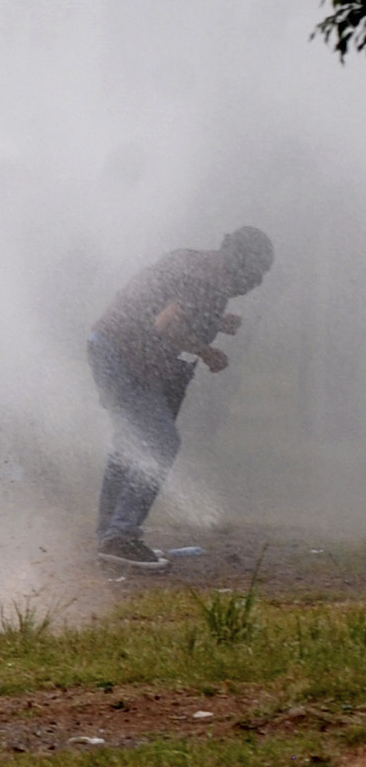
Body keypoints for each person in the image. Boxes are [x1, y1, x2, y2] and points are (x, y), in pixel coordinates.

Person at [87, 226, 272, 569]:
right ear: (242, 261)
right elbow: (165, 324)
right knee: (160, 442)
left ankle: (110, 535)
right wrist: (207, 351)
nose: (256, 282)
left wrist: (214, 322)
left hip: (107, 345)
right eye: (257, 272)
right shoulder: (209, 281)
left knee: (128, 445)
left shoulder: (194, 262)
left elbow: (156, 304)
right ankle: (121, 536)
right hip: (123, 356)